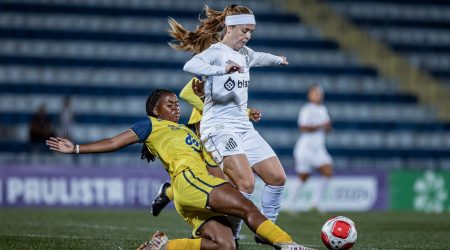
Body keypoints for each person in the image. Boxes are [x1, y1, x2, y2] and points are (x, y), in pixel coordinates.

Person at [46, 89, 314, 250]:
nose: (176, 107)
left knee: (225, 246)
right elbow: (115, 142)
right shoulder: (150, 125)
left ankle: (164, 246)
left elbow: (212, 121)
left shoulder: (188, 131)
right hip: (189, 181)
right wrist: (77, 148)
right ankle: (287, 244)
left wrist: (244, 115)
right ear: (155, 109)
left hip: (192, 191)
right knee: (247, 207)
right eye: (169, 103)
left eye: (177, 103)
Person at [169, 4, 289, 242]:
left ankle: (267, 232)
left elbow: (259, 57)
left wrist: (278, 59)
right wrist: (221, 70)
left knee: (277, 178)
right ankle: (228, 239)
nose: (248, 36)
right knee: (245, 183)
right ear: (230, 27)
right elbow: (189, 66)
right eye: (245, 30)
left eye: (251, 32)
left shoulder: (245, 54)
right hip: (218, 128)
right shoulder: (216, 52)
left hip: (243, 127)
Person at [287, 85, 333, 212]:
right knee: (303, 176)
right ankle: (290, 204)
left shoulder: (323, 109)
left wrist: (328, 127)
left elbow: (327, 128)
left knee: (328, 172)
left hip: (318, 149)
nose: (318, 95)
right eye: (315, 93)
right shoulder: (307, 109)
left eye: (320, 93)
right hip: (305, 149)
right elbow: (303, 127)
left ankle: (315, 203)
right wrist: (321, 125)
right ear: (310, 95)